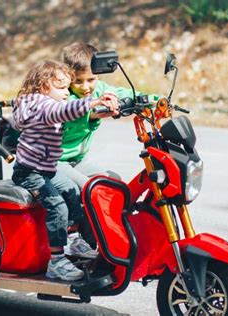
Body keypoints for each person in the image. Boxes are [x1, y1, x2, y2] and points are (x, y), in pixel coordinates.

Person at [9, 60, 118, 281]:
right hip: (29, 172)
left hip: (45, 169)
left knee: (72, 191)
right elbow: (61, 111)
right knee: (58, 207)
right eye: (61, 87)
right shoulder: (41, 106)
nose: (66, 92)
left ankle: (74, 240)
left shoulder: (45, 103)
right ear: (42, 86)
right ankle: (56, 262)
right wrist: (92, 101)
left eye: (67, 87)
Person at [57, 43, 160, 188]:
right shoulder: (63, 95)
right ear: (68, 78)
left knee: (115, 183)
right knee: (91, 189)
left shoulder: (100, 89)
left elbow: (124, 93)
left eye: (91, 80)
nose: (85, 87)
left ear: (98, 75)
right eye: (78, 81)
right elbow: (77, 110)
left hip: (78, 160)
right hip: (55, 162)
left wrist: (154, 99)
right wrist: (96, 111)